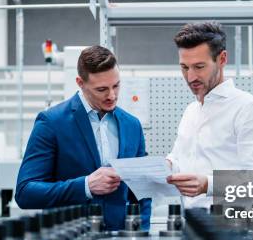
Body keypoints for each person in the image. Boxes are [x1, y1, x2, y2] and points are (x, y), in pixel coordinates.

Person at [15, 46, 151, 230]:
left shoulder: (132, 125)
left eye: (116, 85)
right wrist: (85, 185)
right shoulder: (52, 122)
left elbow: (142, 191)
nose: (112, 95)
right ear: (80, 82)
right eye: (102, 89)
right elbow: (25, 193)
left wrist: (140, 233)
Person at [166, 22, 253, 208]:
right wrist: (166, 166)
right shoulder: (191, 111)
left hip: (233, 227)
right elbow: (180, 160)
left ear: (222, 59)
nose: (190, 77)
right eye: (184, 67)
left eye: (199, 66)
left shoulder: (247, 108)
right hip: (194, 225)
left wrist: (209, 184)